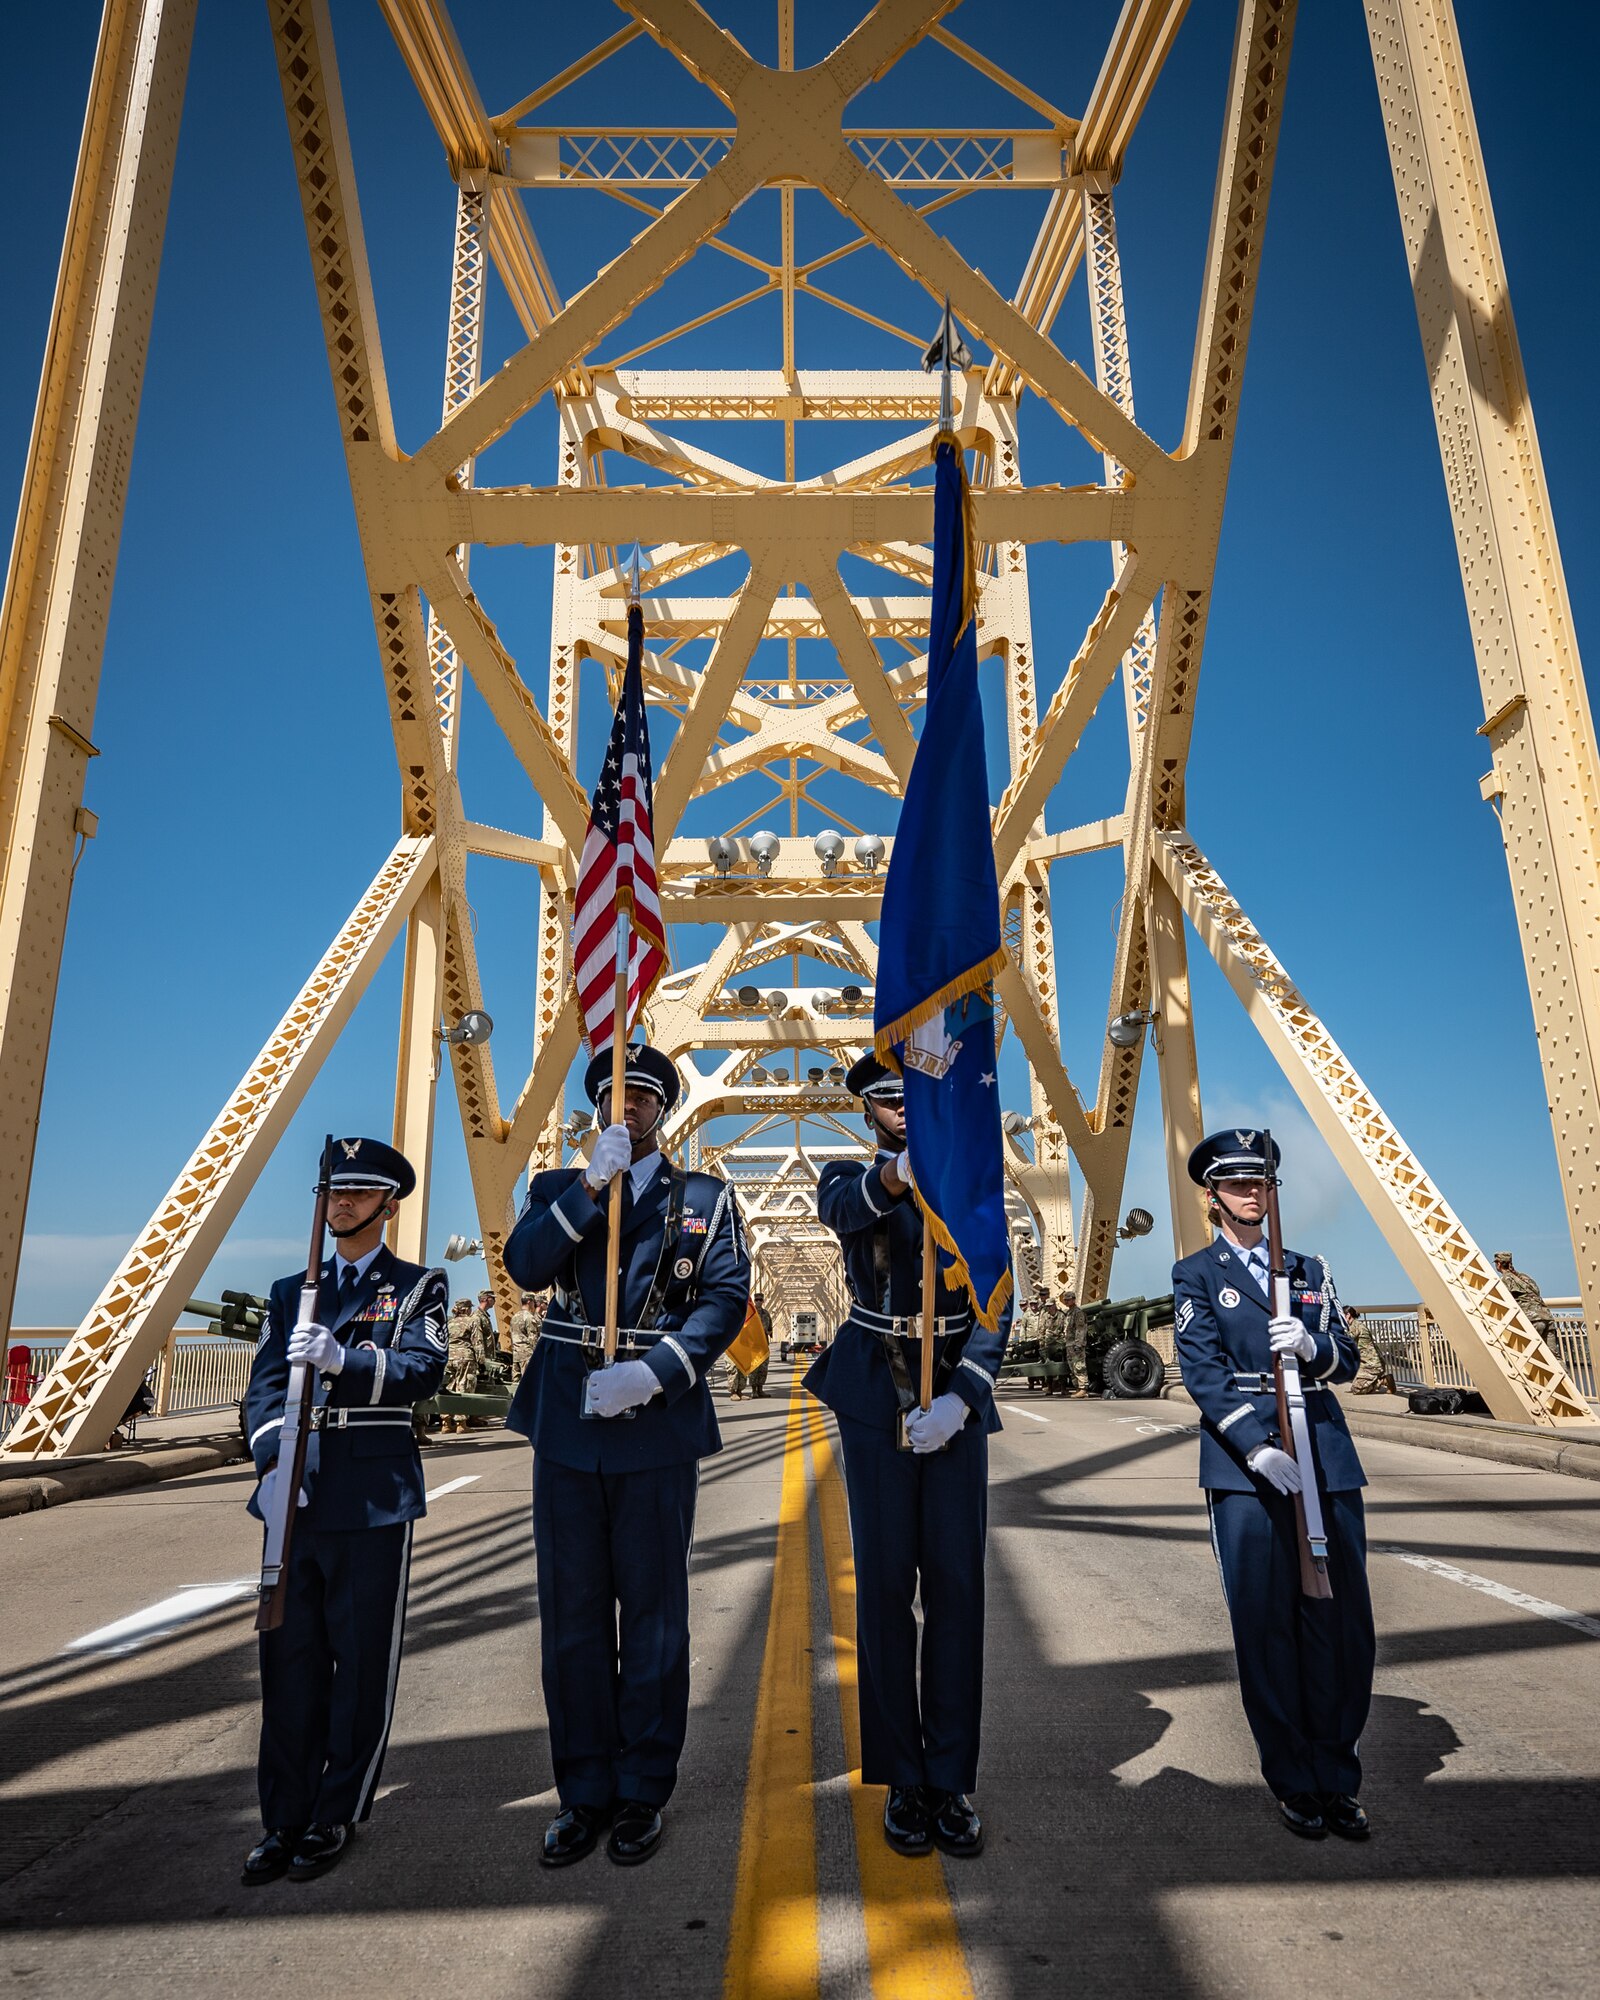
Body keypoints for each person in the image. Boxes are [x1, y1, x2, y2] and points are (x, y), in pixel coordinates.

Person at [503, 1041, 749, 1869]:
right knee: (572, 1619)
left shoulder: (704, 1199)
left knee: (652, 1618)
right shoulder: (553, 1190)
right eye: (613, 1094)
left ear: (663, 1109)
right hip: (569, 1424)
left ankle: (642, 1788)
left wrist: (653, 1372)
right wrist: (588, 1187)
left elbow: (724, 1297)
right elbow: (526, 1266)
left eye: (642, 1095)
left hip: (653, 1425)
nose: (627, 1105)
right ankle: (582, 1794)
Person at [805, 1053, 1011, 1861]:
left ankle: (951, 1779)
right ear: (871, 1112)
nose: (903, 1110)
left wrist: (965, 1394)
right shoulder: (850, 1172)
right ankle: (900, 1778)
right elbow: (844, 1210)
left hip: (952, 1388)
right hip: (874, 1392)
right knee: (885, 1590)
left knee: (957, 1590)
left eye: (916, 1099)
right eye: (891, 1101)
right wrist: (900, 1172)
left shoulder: (972, 1178)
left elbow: (998, 1289)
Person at [240, 1137, 447, 1885]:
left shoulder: (419, 1286)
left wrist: (345, 1361)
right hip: (295, 1495)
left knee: (359, 1665)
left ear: (388, 1205)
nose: (343, 1204)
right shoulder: (290, 1289)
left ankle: (335, 1811)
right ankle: (281, 1819)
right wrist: (270, 1462)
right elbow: (262, 1387)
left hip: (371, 1495)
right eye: (335, 1192)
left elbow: (423, 1370)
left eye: (360, 1194)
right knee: (287, 1663)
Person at [1173, 1130, 1373, 1843]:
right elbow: (1200, 1369)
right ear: (1214, 1196)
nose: (1250, 1194)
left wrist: (1315, 1347)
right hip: (1246, 1462)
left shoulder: (1308, 1269)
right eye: (1235, 1184)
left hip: (1321, 1449)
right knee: (1266, 1624)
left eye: (1259, 1183)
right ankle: (1293, 1779)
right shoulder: (1197, 1273)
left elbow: (1347, 1357)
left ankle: (1337, 1777)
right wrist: (1255, 1447)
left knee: (1340, 1622)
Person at [1492, 1251, 1559, 1345]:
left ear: (1498, 1264)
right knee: (1554, 1356)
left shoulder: (1505, 1279)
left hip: (1532, 1319)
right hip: (1547, 1317)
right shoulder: (1524, 1277)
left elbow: (1502, 1300)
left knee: (1531, 1353)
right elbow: (1537, 1291)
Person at [442, 1298, 479, 1433]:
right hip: (465, 1357)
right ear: (467, 1309)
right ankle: (461, 1424)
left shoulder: (449, 1322)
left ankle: (445, 1422)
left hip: (448, 1357)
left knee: (447, 1388)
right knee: (463, 1387)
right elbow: (477, 1342)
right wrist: (481, 1361)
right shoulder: (472, 1321)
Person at [1343, 1306, 1395, 1396]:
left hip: (1372, 1364)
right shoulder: (1356, 1324)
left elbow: (1347, 1339)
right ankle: (1377, 1380)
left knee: (1356, 1389)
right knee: (1354, 1384)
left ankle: (1384, 1381)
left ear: (1348, 1315)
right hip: (1369, 1363)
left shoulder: (1355, 1325)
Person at [1060, 1288, 1090, 1397]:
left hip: (1075, 1344)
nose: (1066, 1302)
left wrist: (1078, 1344)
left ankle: (1083, 1388)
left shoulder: (1078, 1313)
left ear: (1073, 1300)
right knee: (1072, 1367)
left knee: (1079, 1366)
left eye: (1068, 1300)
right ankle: (1078, 1387)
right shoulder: (1068, 1313)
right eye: (1065, 1300)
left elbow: (1080, 1329)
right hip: (1069, 1344)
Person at [510, 1291, 544, 1379]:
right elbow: (533, 1338)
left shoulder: (515, 1317)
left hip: (516, 1354)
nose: (535, 1304)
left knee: (516, 1383)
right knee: (529, 1381)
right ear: (529, 1301)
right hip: (527, 1355)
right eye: (534, 1302)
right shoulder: (529, 1317)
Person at [748, 1292, 773, 1397]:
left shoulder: (766, 1314)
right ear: (754, 1301)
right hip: (753, 1345)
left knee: (763, 1369)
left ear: (763, 1301)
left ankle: (760, 1389)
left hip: (763, 1345)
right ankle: (754, 1391)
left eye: (760, 1300)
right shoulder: (750, 1313)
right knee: (754, 1368)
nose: (758, 1302)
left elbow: (770, 1328)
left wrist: (768, 1332)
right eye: (756, 1300)